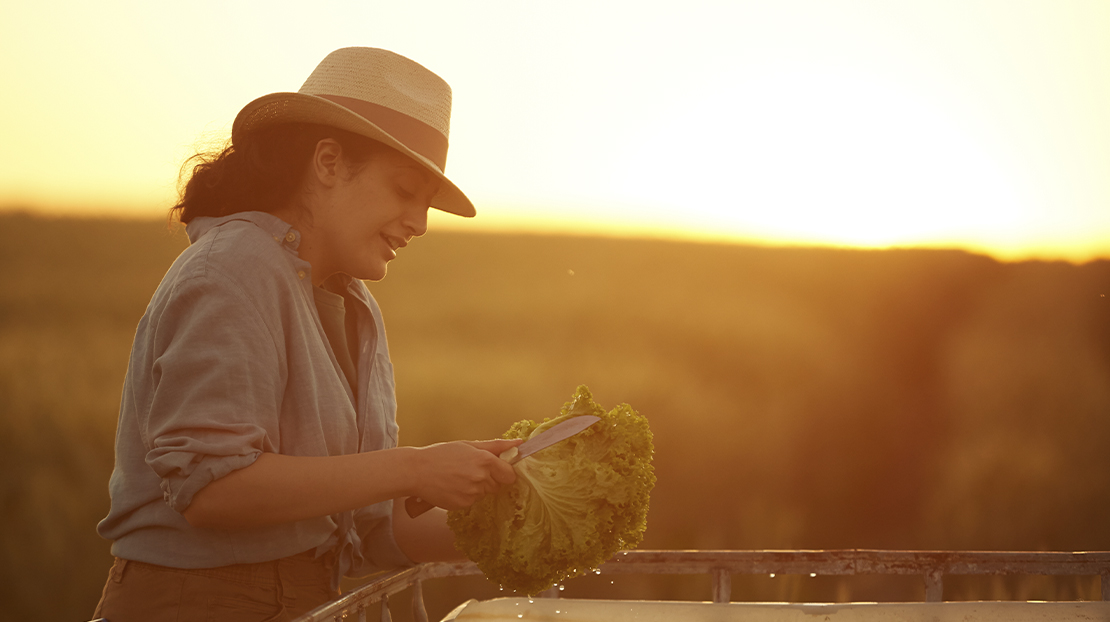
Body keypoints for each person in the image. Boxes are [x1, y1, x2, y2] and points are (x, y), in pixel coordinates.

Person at [92, 47, 521, 621]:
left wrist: (526, 519)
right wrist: (417, 468)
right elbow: (211, 489)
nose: (419, 224)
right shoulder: (234, 268)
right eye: (404, 191)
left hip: (314, 601)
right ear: (327, 163)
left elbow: (368, 526)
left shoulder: (350, 304)